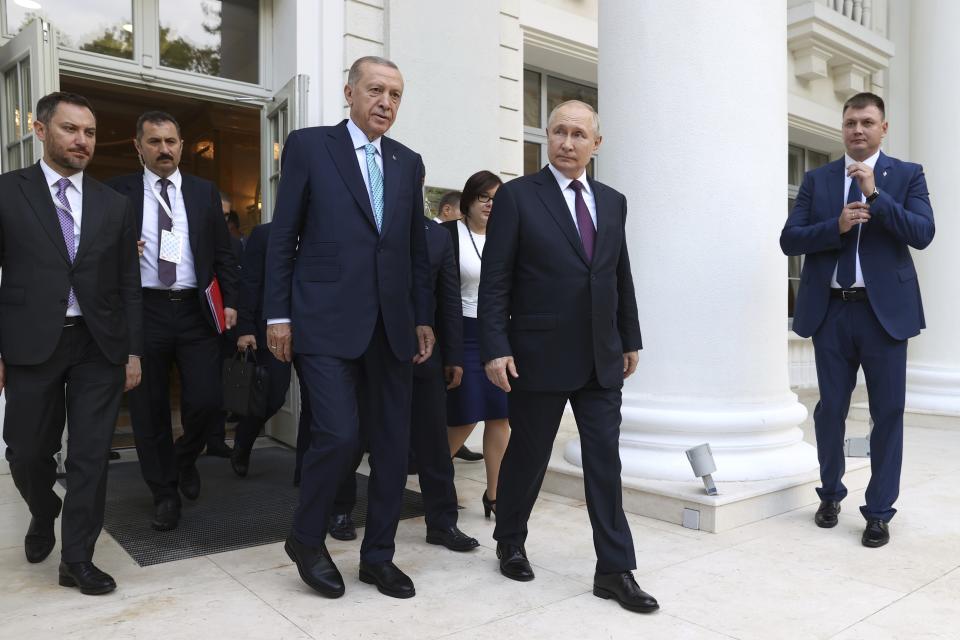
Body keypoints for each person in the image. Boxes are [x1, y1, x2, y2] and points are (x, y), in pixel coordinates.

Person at [263, 55, 434, 600]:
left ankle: (378, 557)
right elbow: (283, 235)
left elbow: (412, 250)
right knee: (337, 435)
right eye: (376, 90)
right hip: (324, 322)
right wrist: (278, 314)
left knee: (390, 447)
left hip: (392, 328)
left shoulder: (408, 163)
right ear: (350, 92)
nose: (386, 102)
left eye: (396, 95)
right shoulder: (311, 146)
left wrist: (422, 317)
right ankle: (306, 539)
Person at [478, 99, 658, 614]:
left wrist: (630, 336)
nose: (568, 142)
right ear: (546, 137)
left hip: (602, 358)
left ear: (595, 145)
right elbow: (497, 280)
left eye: (580, 134)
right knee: (529, 455)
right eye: (559, 131)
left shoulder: (613, 201)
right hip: (536, 354)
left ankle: (615, 569)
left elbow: (618, 273)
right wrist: (496, 346)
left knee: (605, 462)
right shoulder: (516, 197)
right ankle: (510, 538)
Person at [0, 91, 143, 595]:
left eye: (89, 132)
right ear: (40, 130)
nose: (81, 141)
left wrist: (133, 350)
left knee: (90, 455)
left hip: (97, 345)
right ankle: (44, 509)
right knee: (26, 452)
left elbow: (128, 282)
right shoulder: (7, 191)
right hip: (30, 342)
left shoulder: (115, 204)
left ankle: (76, 558)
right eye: (69, 129)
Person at [780, 92, 934, 548]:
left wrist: (876, 195)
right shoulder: (819, 180)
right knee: (830, 411)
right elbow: (789, 239)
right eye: (850, 122)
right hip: (831, 312)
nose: (858, 129)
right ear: (842, 128)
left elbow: (922, 233)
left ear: (883, 127)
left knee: (887, 413)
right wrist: (837, 227)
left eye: (867, 121)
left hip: (885, 316)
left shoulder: (907, 176)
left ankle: (879, 512)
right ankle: (829, 493)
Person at [106, 111, 239, 533]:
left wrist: (232, 302)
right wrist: (120, 249)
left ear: (181, 145)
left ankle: (183, 459)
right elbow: (92, 257)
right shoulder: (116, 193)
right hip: (143, 310)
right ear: (138, 146)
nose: (164, 149)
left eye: (171, 141)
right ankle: (164, 492)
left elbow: (223, 255)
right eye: (154, 141)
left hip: (194, 311)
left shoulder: (203, 192)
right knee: (148, 409)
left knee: (207, 399)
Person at [333, 216, 479, 552]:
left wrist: (453, 356)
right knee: (356, 437)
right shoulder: (361, 225)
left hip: (423, 357)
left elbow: (449, 300)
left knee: (433, 443)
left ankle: (442, 522)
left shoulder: (437, 236)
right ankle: (340, 510)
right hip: (368, 354)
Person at [443, 171, 509, 516]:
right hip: (461, 334)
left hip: (497, 334)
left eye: (497, 199)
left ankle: (495, 496)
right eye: (484, 197)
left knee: (500, 416)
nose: (490, 205)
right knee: (465, 416)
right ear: (468, 200)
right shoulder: (447, 233)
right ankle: (435, 483)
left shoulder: (505, 236)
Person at [231, 222, 312, 480]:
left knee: (314, 402)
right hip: (272, 329)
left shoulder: (322, 230)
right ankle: (244, 440)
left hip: (313, 331)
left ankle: (305, 469)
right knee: (273, 395)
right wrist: (245, 327)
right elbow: (250, 281)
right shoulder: (264, 234)